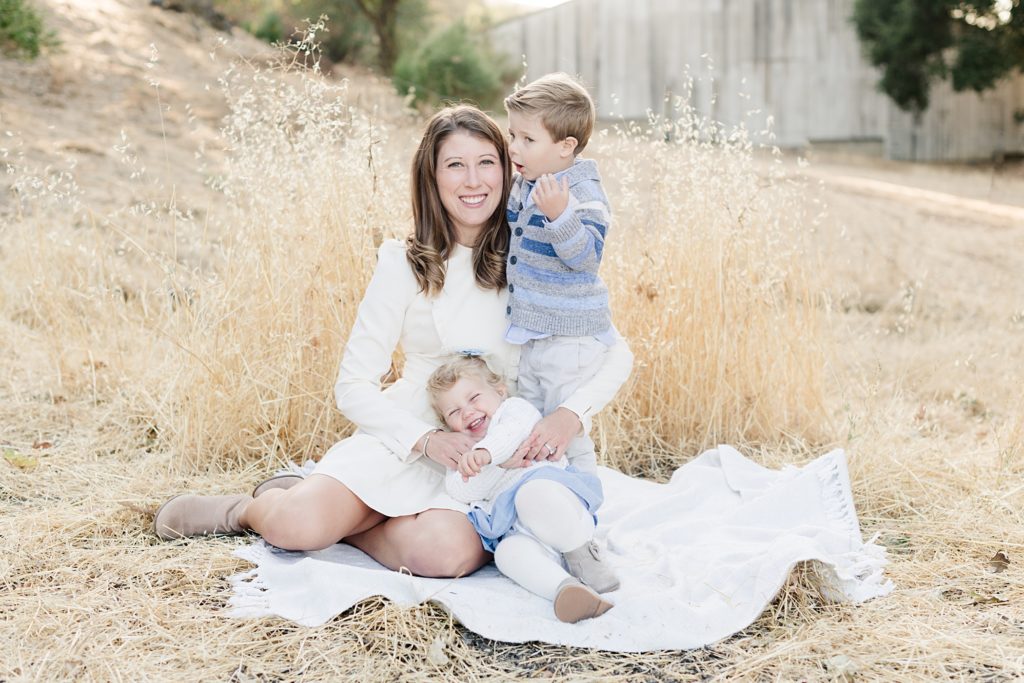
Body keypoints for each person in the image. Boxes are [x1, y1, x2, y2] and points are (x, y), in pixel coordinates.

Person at [153, 105, 635, 580]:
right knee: (297, 525)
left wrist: (569, 416)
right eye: (455, 165)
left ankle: (352, 521)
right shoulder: (403, 262)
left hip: (492, 449)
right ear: (432, 177)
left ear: (508, 170)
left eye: (486, 163)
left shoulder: (536, 256)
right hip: (410, 432)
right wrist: (424, 440)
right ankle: (247, 508)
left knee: (444, 556)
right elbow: (353, 385)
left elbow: (616, 353)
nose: (473, 181)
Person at [427, 355, 616, 623]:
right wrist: (495, 464)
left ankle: (583, 556)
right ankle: (564, 589)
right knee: (507, 554)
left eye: (474, 398)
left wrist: (486, 456)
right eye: (454, 412)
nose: (467, 412)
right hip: (518, 527)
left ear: (500, 391)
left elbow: (512, 435)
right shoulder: (462, 447)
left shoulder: (514, 410)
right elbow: (460, 489)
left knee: (531, 496)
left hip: (557, 509)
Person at [502, 72, 616, 477]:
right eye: (512, 135)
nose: (515, 147)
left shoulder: (581, 191)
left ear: (566, 147)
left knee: (566, 430)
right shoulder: (528, 180)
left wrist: (560, 216)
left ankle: (584, 492)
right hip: (535, 334)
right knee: (529, 421)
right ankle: (539, 489)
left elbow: (586, 257)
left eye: (528, 140)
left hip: (570, 337)